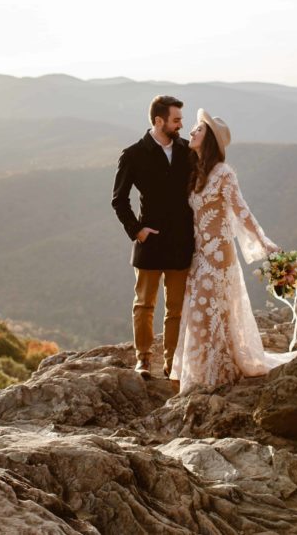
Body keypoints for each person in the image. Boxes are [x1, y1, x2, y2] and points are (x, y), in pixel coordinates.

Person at [169, 109, 297, 394]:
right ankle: (210, 369)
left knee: (206, 310)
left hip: (218, 256)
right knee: (203, 311)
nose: (191, 132)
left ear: (210, 139)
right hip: (200, 254)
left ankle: (210, 374)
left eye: (198, 130)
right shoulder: (197, 171)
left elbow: (242, 211)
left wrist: (263, 241)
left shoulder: (224, 174)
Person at [111, 95, 195, 380]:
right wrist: (137, 230)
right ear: (159, 121)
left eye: (181, 120)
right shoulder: (133, 154)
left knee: (176, 309)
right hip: (150, 241)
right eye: (176, 120)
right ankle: (143, 359)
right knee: (144, 304)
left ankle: (172, 364)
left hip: (182, 241)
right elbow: (119, 199)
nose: (181, 125)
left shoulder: (187, 150)